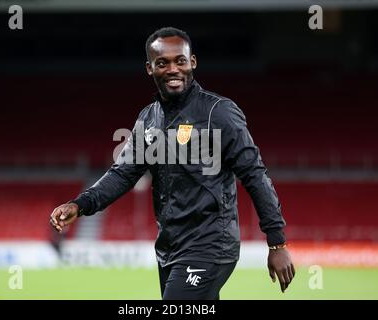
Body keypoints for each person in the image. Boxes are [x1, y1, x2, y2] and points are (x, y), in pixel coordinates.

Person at [50, 27, 295, 300]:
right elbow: (122, 174)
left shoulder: (219, 112)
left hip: (210, 244)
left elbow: (255, 175)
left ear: (193, 62)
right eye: (162, 63)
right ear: (149, 68)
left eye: (180, 60)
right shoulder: (148, 119)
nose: (172, 69)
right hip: (169, 248)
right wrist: (80, 204)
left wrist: (277, 242)